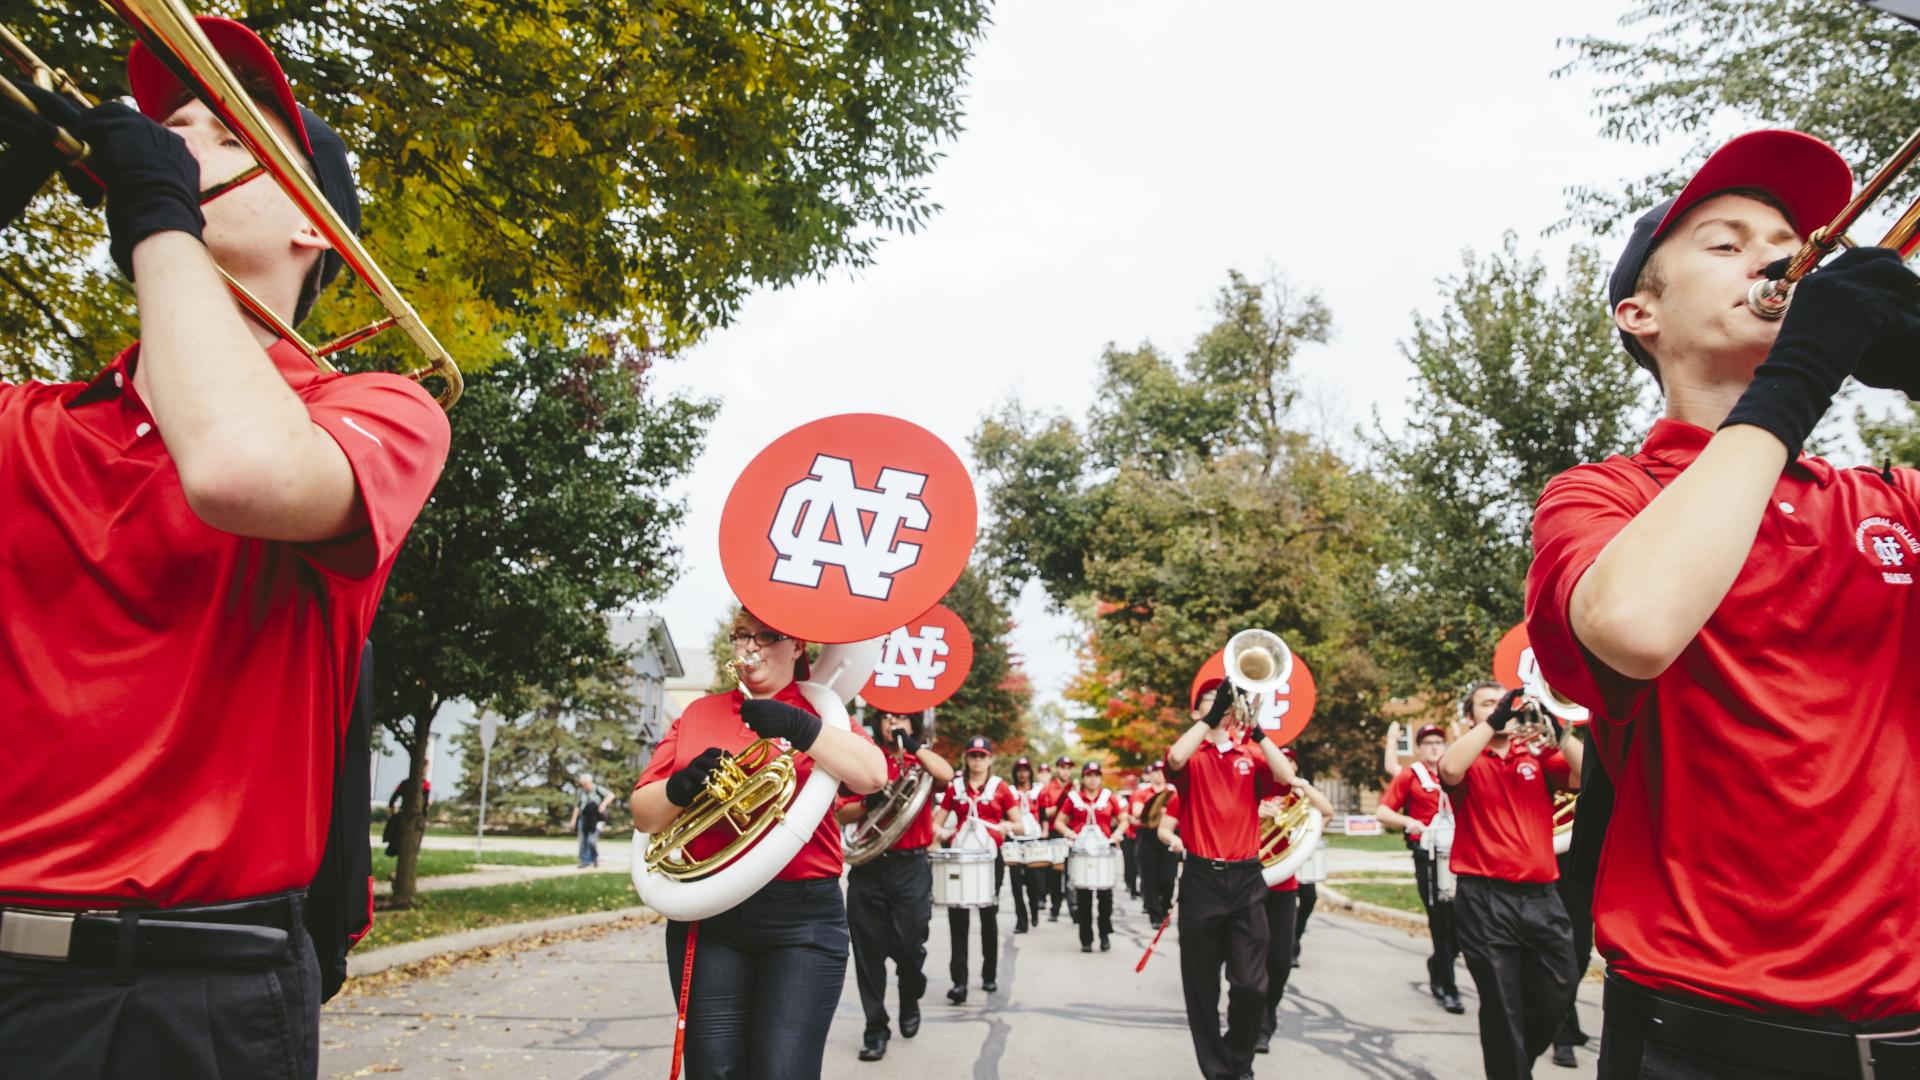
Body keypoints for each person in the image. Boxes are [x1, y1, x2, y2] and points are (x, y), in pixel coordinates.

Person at [0, 20, 450, 1078]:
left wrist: (159, 214)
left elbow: (241, 471)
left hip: (194, 993)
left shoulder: (378, 405)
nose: (171, 138)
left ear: (314, 231)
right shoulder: (32, 421)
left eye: (226, 136)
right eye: (165, 128)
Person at [1527, 129, 1920, 1079]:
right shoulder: (1601, 498)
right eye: (1727, 242)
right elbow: (1635, 625)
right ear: (1641, 312)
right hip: (1705, 1035)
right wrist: (1798, 378)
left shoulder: (1887, 500)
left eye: (1789, 237)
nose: (1784, 255)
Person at [630, 608, 888, 1080]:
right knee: (714, 1071)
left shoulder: (822, 712)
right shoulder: (699, 713)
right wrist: (681, 788)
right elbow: (643, 814)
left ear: (797, 647)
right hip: (709, 915)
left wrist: (799, 726)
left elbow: (873, 775)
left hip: (802, 920)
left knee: (784, 1070)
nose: (750, 647)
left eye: (766, 636)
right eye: (741, 636)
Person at [1437, 684, 1584, 1080]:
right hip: (1485, 897)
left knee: (1560, 990)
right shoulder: (1470, 757)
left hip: (1542, 896)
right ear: (1471, 717)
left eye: (1505, 702)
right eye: (1489, 703)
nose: (1503, 708)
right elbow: (1449, 769)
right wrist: (1494, 722)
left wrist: (1561, 729)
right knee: (1502, 1006)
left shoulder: (1535, 756)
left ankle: (1512, 1066)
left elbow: (1588, 775)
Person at [1159, 675, 1299, 1080]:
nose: (1219, 706)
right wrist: (1210, 718)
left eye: (1224, 700)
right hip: (1202, 877)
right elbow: (1174, 760)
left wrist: (1257, 731)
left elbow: (1285, 777)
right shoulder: (1194, 754)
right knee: (1202, 989)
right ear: (1196, 711)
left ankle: (1239, 1059)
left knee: (1253, 985)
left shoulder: (1251, 753)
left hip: (1245, 879)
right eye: (1209, 701)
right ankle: (1220, 1072)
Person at [837, 711, 954, 1063]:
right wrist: (868, 803)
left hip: (910, 866)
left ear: (913, 725)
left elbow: (946, 775)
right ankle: (875, 1028)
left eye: (901, 718)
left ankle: (909, 993)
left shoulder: (923, 759)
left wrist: (915, 747)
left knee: (911, 944)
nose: (894, 723)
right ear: (878, 723)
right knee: (867, 954)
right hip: (869, 867)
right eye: (887, 718)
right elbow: (839, 813)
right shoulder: (865, 757)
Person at [1376, 718, 1469, 1015]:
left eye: (1439, 742)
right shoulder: (1410, 776)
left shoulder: (1455, 772)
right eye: (1428, 743)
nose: (1434, 747)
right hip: (1427, 854)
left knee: (1462, 922)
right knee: (1440, 919)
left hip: (1458, 852)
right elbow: (1382, 811)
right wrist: (1410, 822)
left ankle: (1438, 963)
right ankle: (1449, 988)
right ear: (1418, 749)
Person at [930, 736, 1024, 1004]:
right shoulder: (955, 787)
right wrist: (943, 831)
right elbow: (936, 822)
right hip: (961, 856)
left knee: (987, 915)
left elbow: (1019, 824)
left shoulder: (1000, 788)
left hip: (988, 858)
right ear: (967, 758)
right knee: (957, 917)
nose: (977, 761)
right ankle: (959, 981)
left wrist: (1006, 826)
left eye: (982, 756)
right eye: (973, 755)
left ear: (990, 759)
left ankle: (989, 974)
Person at [1254, 764, 1335, 1055]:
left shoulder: (1297, 796)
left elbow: (1326, 812)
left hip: (1283, 888)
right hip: (1248, 885)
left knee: (1279, 961)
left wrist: (1300, 784)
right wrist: (1255, 812)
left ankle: (1269, 1012)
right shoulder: (1252, 787)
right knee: (1248, 961)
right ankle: (1255, 1024)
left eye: (1288, 763)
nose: (1282, 767)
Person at [1053, 760, 1127, 953]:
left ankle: (1104, 933)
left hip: (1103, 852)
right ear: (1083, 778)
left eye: (1096, 776)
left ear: (1100, 778)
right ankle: (1086, 938)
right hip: (1081, 852)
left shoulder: (1108, 797)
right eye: (1089, 775)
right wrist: (1069, 833)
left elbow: (1123, 820)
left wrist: (1117, 833)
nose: (1092, 780)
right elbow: (1059, 822)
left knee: (1105, 897)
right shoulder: (1074, 798)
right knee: (1083, 897)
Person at [1132, 760, 1180, 928]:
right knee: (1149, 877)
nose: (1159, 774)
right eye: (1156, 771)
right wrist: (1155, 808)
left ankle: (1165, 907)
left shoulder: (1173, 790)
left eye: (1162, 771)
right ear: (1150, 773)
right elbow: (1137, 812)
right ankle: (1154, 914)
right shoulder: (1143, 791)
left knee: (1168, 877)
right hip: (1148, 835)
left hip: (1168, 835)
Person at [1005, 756, 1048, 933]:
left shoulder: (1038, 792)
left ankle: (1034, 911)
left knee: (1034, 882)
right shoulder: (1008, 792)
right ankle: (1021, 921)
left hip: (1033, 840)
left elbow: (1044, 814)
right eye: (1019, 771)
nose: (1022, 774)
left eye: (1025, 770)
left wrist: (1044, 831)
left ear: (1030, 772)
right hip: (1014, 840)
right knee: (1016, 884)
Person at [1035, 755, 1075, 921]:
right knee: (1055, 874)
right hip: (1053, 833)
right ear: (1057, 769)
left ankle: (1075, 910)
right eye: (1063, 767)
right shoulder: (1048, 789)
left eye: (1068, 768)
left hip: (1071, 832)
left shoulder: (1076, 788)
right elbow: (1045, 813)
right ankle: (1055, 907)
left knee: (1072, 874)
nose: (1066, 771)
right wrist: (1061, 802)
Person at [569, 774, 616, 869]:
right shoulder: (581, 792)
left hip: (596, 819)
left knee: (591, 841)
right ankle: (584, 861)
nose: (585, 786)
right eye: (583, 784)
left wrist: (603, 805)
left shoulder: (598, 789)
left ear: (590, 782)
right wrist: (573, 819)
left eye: (586, 784)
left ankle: (594, 858)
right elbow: (577, 806)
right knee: (582, 840)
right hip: (583, 818)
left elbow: (611, 795)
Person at [1117, 773, 1141, 899]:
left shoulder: (1139, 795)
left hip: (1137, 833)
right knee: (1129, 862)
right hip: (1128, 834)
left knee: (1136, 862)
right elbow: (1121, 816)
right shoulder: (1121, 799)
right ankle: (1131, 885)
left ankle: (1134, 886)